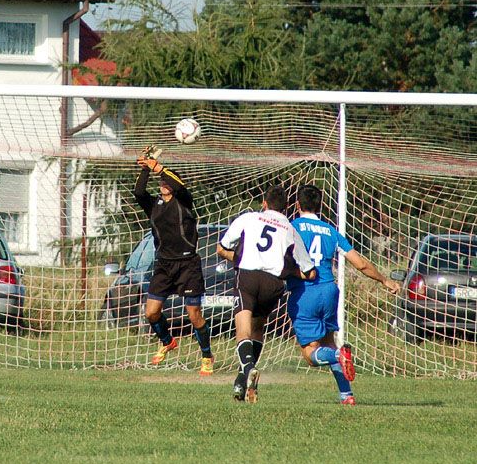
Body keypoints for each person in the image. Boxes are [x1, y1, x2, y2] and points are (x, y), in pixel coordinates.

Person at [287, 184, 401, 405]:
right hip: (329, 291)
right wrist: (385, 280)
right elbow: (360, 264)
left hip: (305, 292)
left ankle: (339, 356)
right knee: (328, 342)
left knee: (311, 354)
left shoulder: (292, 228)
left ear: (298, 205)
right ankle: (346, 394)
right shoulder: (331, 231)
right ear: (320, 205)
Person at [217, 185, 316, 403]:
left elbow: (222, 248)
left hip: (249, 278)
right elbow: (309, 271)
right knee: (258, 328)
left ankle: (248, 370)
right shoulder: (290, 229)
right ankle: (243, 381)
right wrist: (295, 272)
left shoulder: (249, 218)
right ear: (286, 208)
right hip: (273, 283)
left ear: (264, 203)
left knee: (243, 330)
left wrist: (241, 258)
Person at [133, 147, 214, 375]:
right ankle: (168, 341)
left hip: (188, 265)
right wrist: (146, 168)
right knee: (151, 313)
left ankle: (207, 356)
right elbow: (139, 192)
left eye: (166, 181)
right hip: (164, 265)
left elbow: (178, 185)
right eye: (162, 182)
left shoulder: (184, 201)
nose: (164, 184)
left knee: (194, 315)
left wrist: (159, 167)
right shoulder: (154, 205)